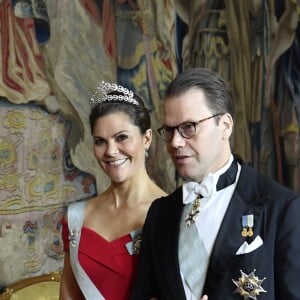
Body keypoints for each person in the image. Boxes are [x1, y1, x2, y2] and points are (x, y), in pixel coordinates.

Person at [131, 68, 300, 300]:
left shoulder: (283, 208)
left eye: (188, 127)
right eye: (169, 130)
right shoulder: (160, 214)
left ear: (225, 126)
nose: (175, 142)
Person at [59, 81, 166, 300]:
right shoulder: (77, 218)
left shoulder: (170, 214)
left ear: (147, 139)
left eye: (121, 137)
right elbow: (69, 295)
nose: (111, 151)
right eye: (100, 141)